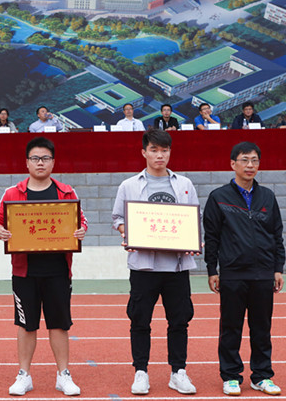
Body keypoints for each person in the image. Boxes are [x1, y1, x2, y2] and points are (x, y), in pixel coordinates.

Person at [0, 137, 87, 396]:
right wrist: (0, 232)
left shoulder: (67, 192)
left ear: (53, 162)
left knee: (59, 324)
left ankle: (63, 375)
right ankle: (24, 375)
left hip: (58, 270)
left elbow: (82, 221)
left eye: (45, 158)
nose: (40, 163)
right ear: (27, 162)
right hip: (25, 271)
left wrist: (80, 231)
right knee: (26, 324)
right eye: (35, 158)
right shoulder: (12, 193)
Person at [111, 128, 198, 396]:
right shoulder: (129, 185)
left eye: (164, 150)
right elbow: (118, 219)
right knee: (140, 320)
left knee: (179, 320)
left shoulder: (185, 184)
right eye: (154, 150)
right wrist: (127, 233)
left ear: (170, 152)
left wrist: (194, 240)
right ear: (144, 152)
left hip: (177, 266)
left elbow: (194, 219)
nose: (160, 155)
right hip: (143, 266)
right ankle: (141, 372)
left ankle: (178, 372)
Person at [203, 141, 285, 397]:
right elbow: (212, 237)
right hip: (233, 274)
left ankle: (262, 376)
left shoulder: (267, 196)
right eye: (245, 160)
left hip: (262, 273)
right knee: (231, 328)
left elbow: (277, 234)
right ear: (233, 164)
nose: (250, 165)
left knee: (262, 329)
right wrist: (212, 269)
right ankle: (230, 376)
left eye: (254, 160)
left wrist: (278, 268)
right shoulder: (218, 197)